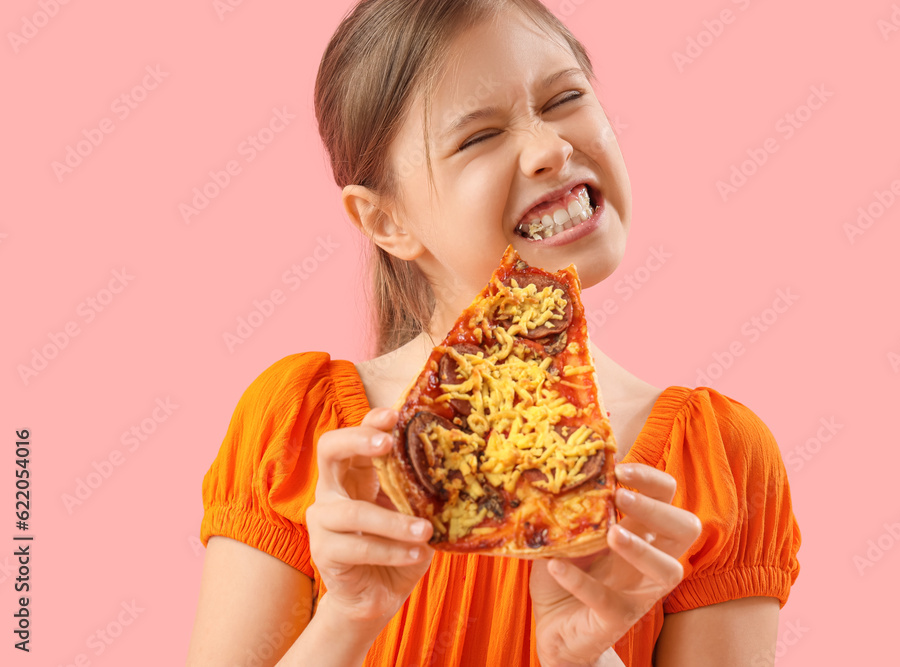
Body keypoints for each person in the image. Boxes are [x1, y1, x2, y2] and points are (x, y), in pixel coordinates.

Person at [186, 1, 802, 665]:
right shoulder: (299, 430)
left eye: (565, 97)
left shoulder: (718, 461)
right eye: (478, 137)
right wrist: (348, 618)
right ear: (386, 221)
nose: (550, 149)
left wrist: (583, 656)